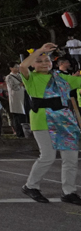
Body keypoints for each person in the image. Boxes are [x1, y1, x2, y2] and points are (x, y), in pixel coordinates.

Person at [20, 43, 81, 205]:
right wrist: (40, 50)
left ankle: (69, 192)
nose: (45, 63)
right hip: (42, 119)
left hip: (65, 120)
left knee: (71, 158)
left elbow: (78, 81)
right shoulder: (30, 77)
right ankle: (31, 186)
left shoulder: (61, 78)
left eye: (47, 60)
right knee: (47, 156)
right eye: (40, 61)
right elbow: (23, 65)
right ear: (34, 64)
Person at [5, 61, 27, 137]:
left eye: (18, 66)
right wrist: (22, 84)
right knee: (17, 116)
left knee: (23, 116)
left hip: (23, 97)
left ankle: (25, 132)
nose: (17, 68)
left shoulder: (20, 75)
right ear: (11, 68)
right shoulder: (9, 77)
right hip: (15, 98)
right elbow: (14, 87)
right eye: (16, 67)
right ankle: (19, 132)